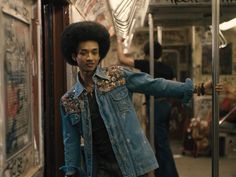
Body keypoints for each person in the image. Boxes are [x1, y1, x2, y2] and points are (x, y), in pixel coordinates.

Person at [59, 21, 219, 177]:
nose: (90, 57)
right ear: (74, 55)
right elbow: (71, 141)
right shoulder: (69, 100)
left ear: (100, 54)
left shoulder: (117, 76)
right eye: (84, 52)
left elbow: (155, 85)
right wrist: (71, 172)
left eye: (94, 52)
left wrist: (198, 88)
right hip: (100, 169)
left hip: (133, 161)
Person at [117, 38, 179, 177]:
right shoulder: (167, 67)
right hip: (166, 105)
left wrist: (119, 41)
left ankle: (168, 174)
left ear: (146, 52)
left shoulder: (147, 64)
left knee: (160, 143)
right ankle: (161, 172)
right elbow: (174, 86)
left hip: (155, 106)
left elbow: (122, 59)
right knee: (161, 141)